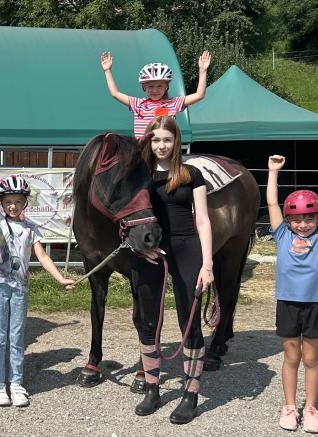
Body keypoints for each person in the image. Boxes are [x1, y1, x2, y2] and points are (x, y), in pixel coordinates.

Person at [131, 116, 214, 423]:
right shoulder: (138, 175)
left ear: (176, 142)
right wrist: (139, 246)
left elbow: (202, 219)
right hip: (148, 251)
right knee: (147, 322)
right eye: (156, 139)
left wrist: (207, 264)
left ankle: (190, 394)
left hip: (186, 247)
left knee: (189, 322)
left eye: (167, 139)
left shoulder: (191, 174)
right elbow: (126, 216)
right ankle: (152, 388)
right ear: (148, 141)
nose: (161, 145)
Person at [0, 145, 74, 408]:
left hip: (20, 288)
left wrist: (60, 278)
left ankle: (17, 384)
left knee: (17, 336)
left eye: (17, 201)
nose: (12, 206)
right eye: (8, 202)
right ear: (2, 204)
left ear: (25, 203)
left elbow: (42, 257)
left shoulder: (31, 228)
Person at [267, 154, 318, 433]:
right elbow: (272, 203)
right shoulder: (282, 234)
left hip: (315, 305)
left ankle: (311, 408)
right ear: (288, 219)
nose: (303, 224)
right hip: (287, 304)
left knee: (311, 359)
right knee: (291, 357)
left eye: (309, 219)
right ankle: (289, 406)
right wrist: (273, 171)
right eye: (297, 219)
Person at [99, 50, 211, 138]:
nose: (155, 90)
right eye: (150, 86)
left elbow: (199, 95)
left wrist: (203, 71)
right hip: (143, 150)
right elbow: (115, 94)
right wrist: (107, 70)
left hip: (165, 149)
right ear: (144, 87)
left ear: (166, 87)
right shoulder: (138, 104)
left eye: (159, 86)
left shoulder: (173, 103)